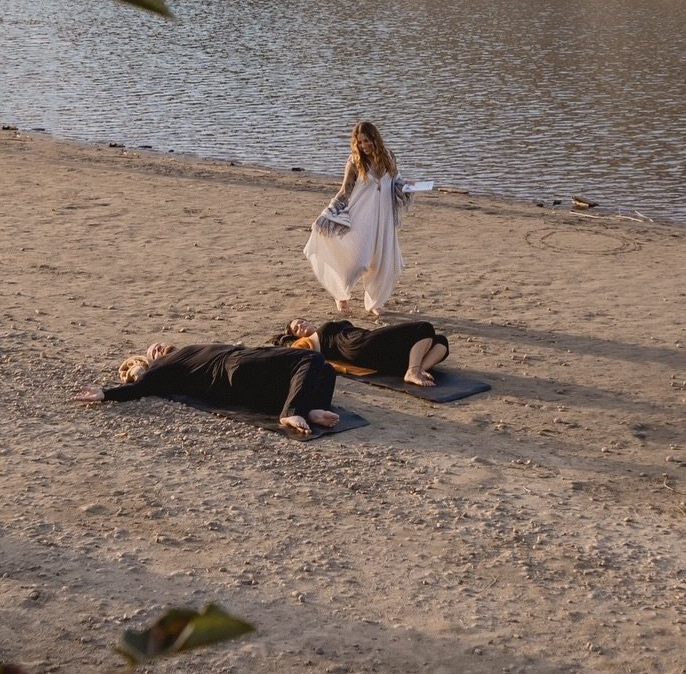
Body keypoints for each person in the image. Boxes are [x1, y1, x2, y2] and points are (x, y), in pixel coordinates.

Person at [72, 340, 340, 437]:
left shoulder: (187, 350)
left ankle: (312, 410)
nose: (158, 347)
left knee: (324, 370)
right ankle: (292, 410)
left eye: (159, 344)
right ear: (151, 359)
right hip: (234, 366)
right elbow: (141, 387)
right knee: (311, 358)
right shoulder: (164, 367)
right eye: (152, 350)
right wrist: (106, 393)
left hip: (250, 375)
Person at [304, 121, 409, 317]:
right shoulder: (354, 162)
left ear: (375, 139)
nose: (363, 146)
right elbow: (345, 190)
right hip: (360, 216)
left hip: (383, 217)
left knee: (381, 261)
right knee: (358, 260)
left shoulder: (388, 158)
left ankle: (375, 302)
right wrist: (329, 211)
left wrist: (406, 189)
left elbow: (396, 181)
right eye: (359, 142)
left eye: (367, 141)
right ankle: (341, 294)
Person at [274, 315, 450, 388]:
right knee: (423, 328)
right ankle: (413, 371)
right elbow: (302, 355)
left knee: (441, 341)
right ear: (296, 337)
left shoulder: (320, 331)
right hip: (358, 344)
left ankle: (418, 369)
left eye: (301, 321)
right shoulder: (313, 340)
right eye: (297, 328)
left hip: (368, 349)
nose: (301, 326)